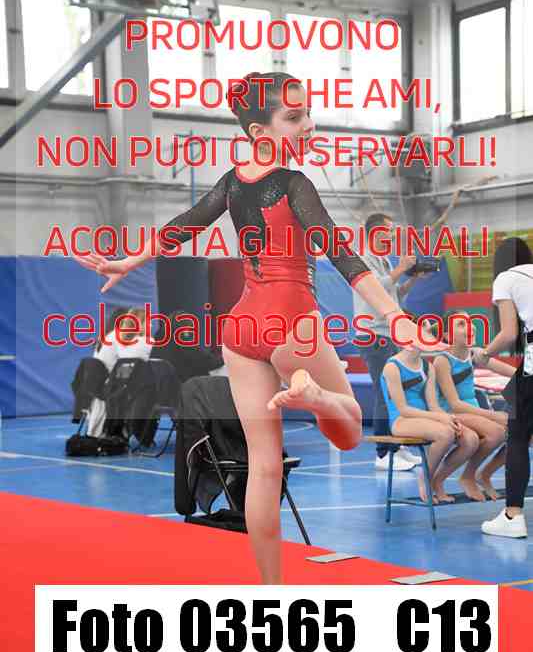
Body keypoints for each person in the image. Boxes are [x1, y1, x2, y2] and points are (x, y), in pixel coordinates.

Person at [75, 71, 443, 584]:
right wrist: (396, 317)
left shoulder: (231, 182)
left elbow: (186, 223)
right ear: (258, 131)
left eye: (307, 112)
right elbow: (340, 252)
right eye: (294, 117)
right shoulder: (294, 184)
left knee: (264, 467)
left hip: (241, 326)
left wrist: (129, 260)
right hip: (292, 321)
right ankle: (315, 397)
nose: (308, 124)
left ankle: (272, 590)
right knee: (349, 428)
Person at [354, 213, 427, 472]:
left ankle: (398, 445)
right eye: (389, 230)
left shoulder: (384, 260)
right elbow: (375, 287)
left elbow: (395, 293)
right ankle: (383, 453)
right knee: (385, 392)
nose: (393, 235)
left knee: (397, 391)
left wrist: (413, 277)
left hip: (390, 334)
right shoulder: (362, 259)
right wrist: (401, 268)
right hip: (374, 335)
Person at [473, 237, 533, 538]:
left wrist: (484, 354)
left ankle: (512, 515)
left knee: (518, 435)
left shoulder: (506, 279)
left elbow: (509, 333)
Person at [381, 322, 479, 503]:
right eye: (424, 334)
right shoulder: (392, 367)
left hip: (425, 418)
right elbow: (403, 409)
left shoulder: (428, 367)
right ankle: (424, 478)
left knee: (470, 440)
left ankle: (438, 480)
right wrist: (440, 418)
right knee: (445, 433)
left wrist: (448, 417)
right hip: (402, 420)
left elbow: (433, 405)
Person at [433, 310, 514, 501]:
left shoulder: (474, 354)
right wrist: (494, 415)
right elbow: (455, 404)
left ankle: (484, 474)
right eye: (461, 324)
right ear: (447, 335)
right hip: (452, 413)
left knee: (520, 432)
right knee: (497, 432)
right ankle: (464, 476)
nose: (469, 327)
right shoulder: (442, 361)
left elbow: (513, 372)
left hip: (473, 413)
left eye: (470, 322)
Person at [87, 306, 153, 436]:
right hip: (110, 386)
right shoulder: (122, 338)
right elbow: (131, 362)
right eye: (148, 322)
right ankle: (137, 432)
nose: (150, 325)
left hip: (102, 384)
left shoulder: (109, 337)